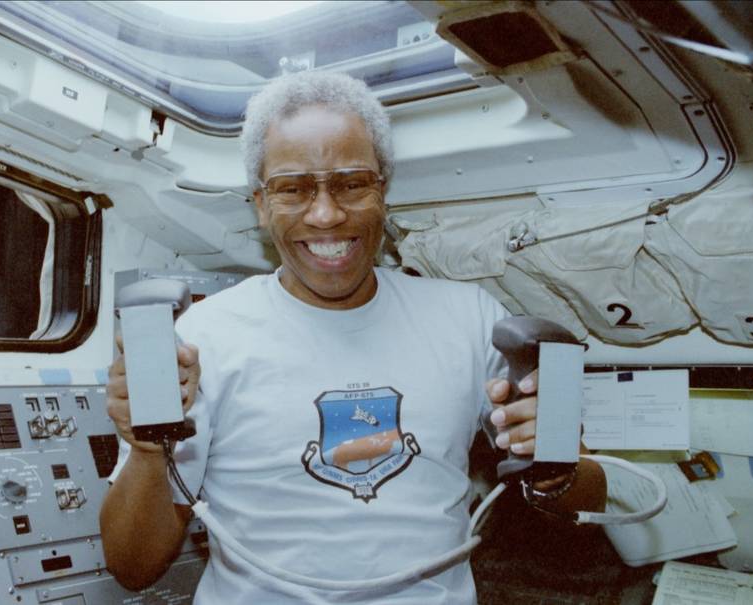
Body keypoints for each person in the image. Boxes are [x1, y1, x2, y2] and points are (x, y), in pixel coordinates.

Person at [99, 71, 606, 604]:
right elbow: (133, 567)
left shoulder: (472, 318)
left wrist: (554, 465)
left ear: (382, 192)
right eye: (293, 188)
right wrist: (147, 453)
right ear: (261, 205)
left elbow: (587, 499)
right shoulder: (201, 338)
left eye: (351, 183)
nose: (326, 214)